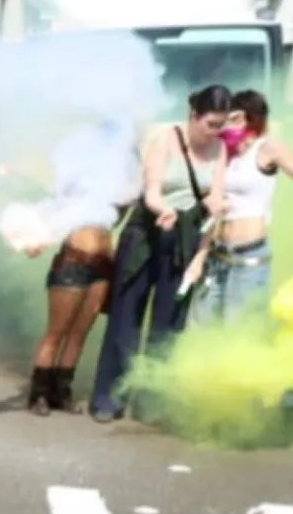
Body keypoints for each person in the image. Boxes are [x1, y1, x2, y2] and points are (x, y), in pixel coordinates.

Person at [89, 84, 231, 423]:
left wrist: (200, 256)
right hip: (146, 234)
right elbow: (151, 191)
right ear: (194, 116)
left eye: (221, 125)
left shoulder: (221, 149)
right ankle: (111, 397)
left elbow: (216, 207)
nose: (216, 131)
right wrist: (163, 209)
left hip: (186, 240)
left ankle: (151, 399)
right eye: (211, 123)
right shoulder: (165, 141)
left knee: (168, 325)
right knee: (126, 319)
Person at [20, 119, 139, 416]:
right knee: (57, 331)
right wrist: (40, 238)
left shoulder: (118, 177)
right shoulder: (75, 170)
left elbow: (125, 205)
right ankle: (39, 394)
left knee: (80, 333)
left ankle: (62, 391)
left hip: (103, 261)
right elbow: (56, 207)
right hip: (73, 258)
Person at [198, 89, 293, 325]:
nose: (229, 123)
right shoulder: (224, 151)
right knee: (203, 325)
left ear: (251, 117)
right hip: (217, 252)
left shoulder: (268, 148)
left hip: (249, 254)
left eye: (236, 116)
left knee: (238, 330)